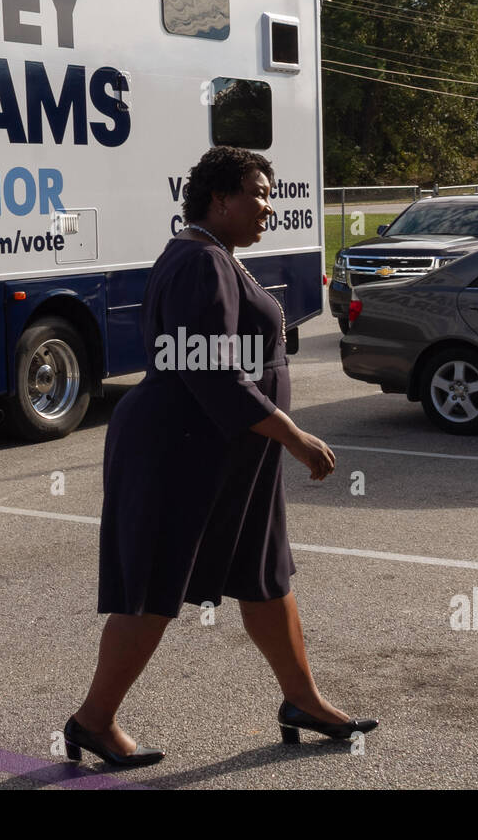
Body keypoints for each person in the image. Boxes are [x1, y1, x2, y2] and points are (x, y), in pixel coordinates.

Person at [63, 147, 377, 767]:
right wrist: (295, 435)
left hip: (231, 451)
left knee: (264, 574)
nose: (269, 206)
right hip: (180, 450)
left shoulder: (217, 256)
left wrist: (270, 437)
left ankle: (303, 701)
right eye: (258, 193)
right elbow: (212, 373)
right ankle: (93, 720)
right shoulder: (200, 261)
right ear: (218, 198)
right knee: (157, 584)